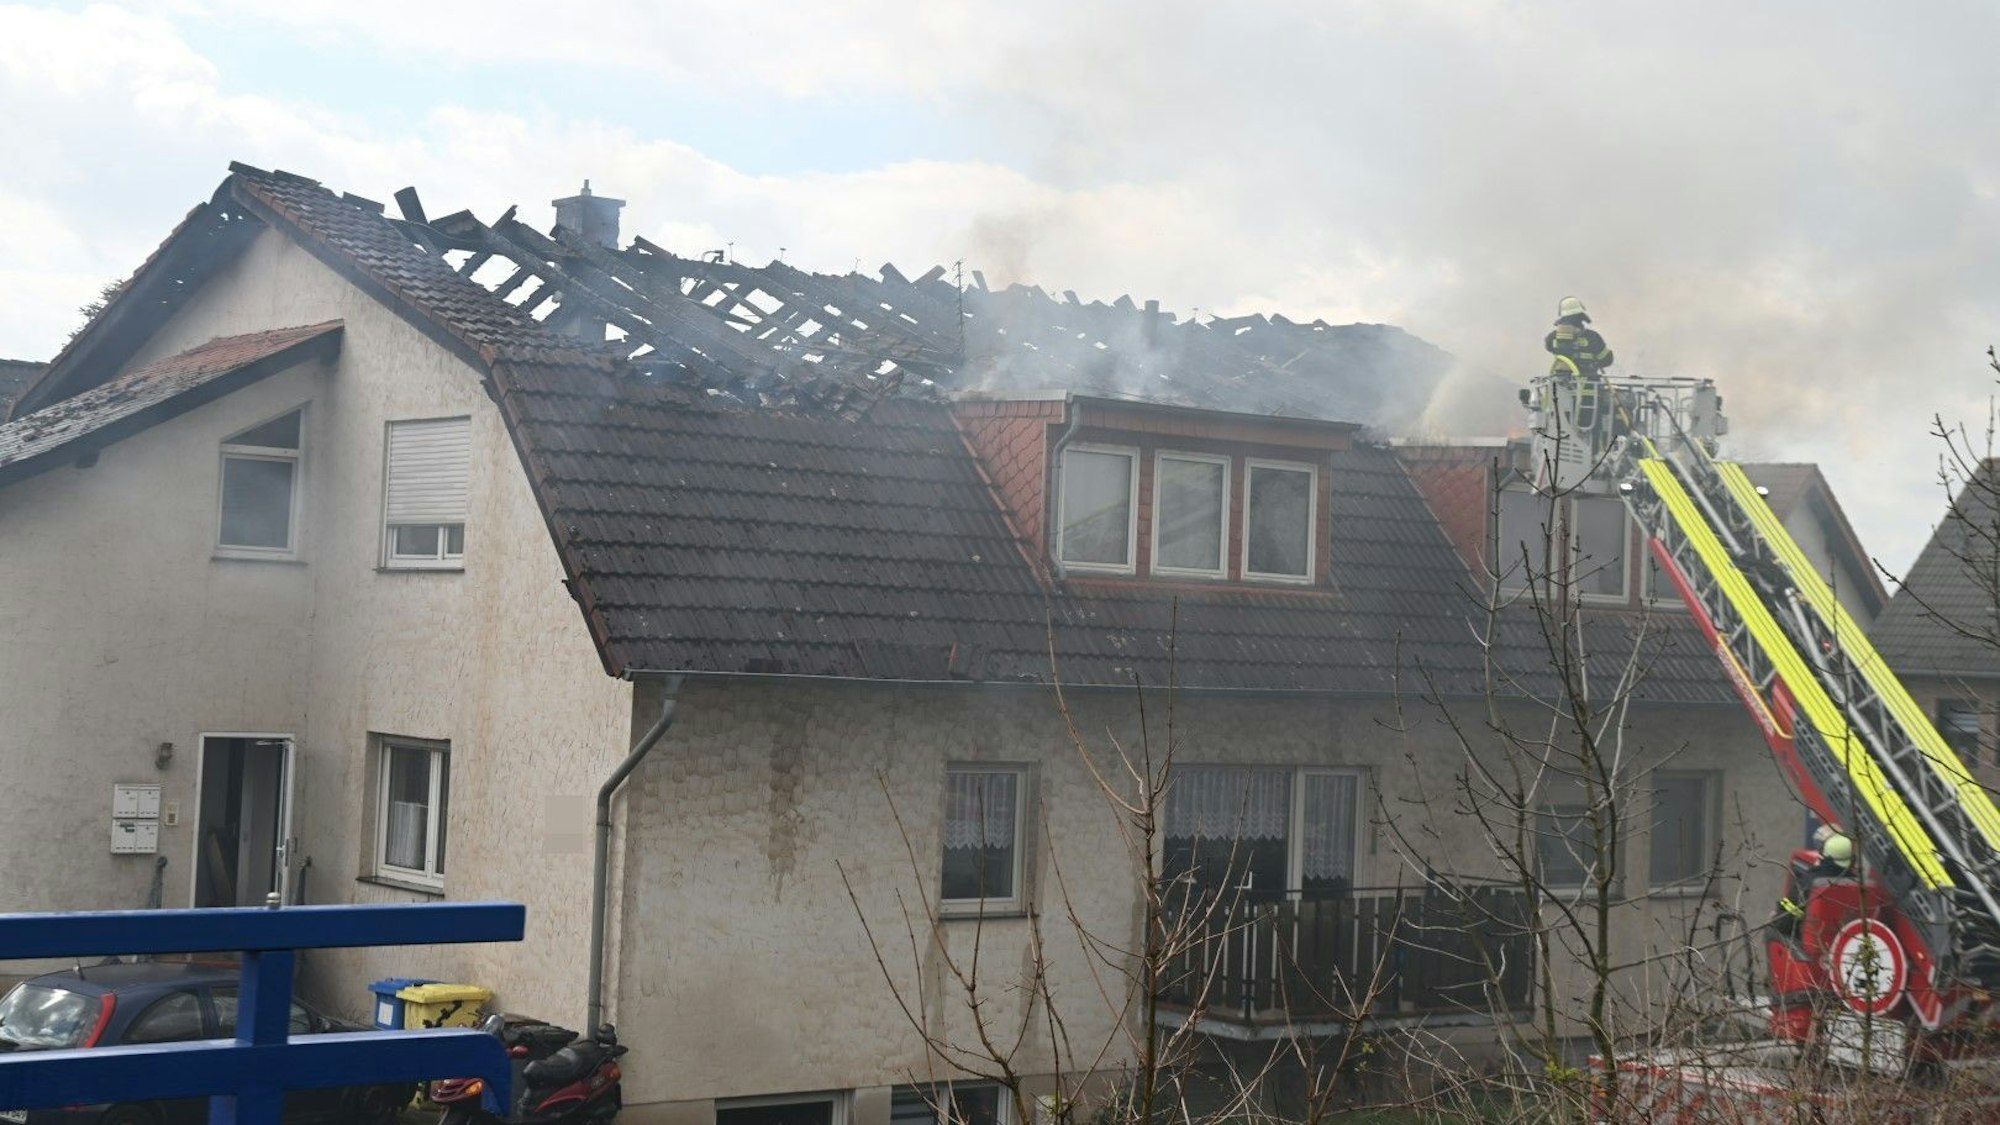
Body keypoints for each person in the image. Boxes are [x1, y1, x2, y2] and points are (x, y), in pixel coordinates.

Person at [1544, 296, 1615, 378]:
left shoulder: (1552, 337)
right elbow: (1607, 359)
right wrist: (1594, 364)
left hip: (1562, 385)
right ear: (1581, 317)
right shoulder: (1592, 337)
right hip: (1590, 386)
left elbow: (1548, 346)